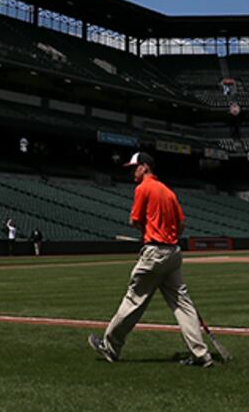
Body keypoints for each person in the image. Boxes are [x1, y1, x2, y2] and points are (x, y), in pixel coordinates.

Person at [88, 152, 211, 367]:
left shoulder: (143, 188)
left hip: (154, 252)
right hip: (173, 252)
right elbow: (182, 225)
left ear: (144, 167)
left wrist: (149, 228)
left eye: (134, 168)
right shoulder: (168, 191)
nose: (131, 172)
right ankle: (201, 353)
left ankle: (111, 346)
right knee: (183, 304)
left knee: (134, 300)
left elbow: (134, 220)